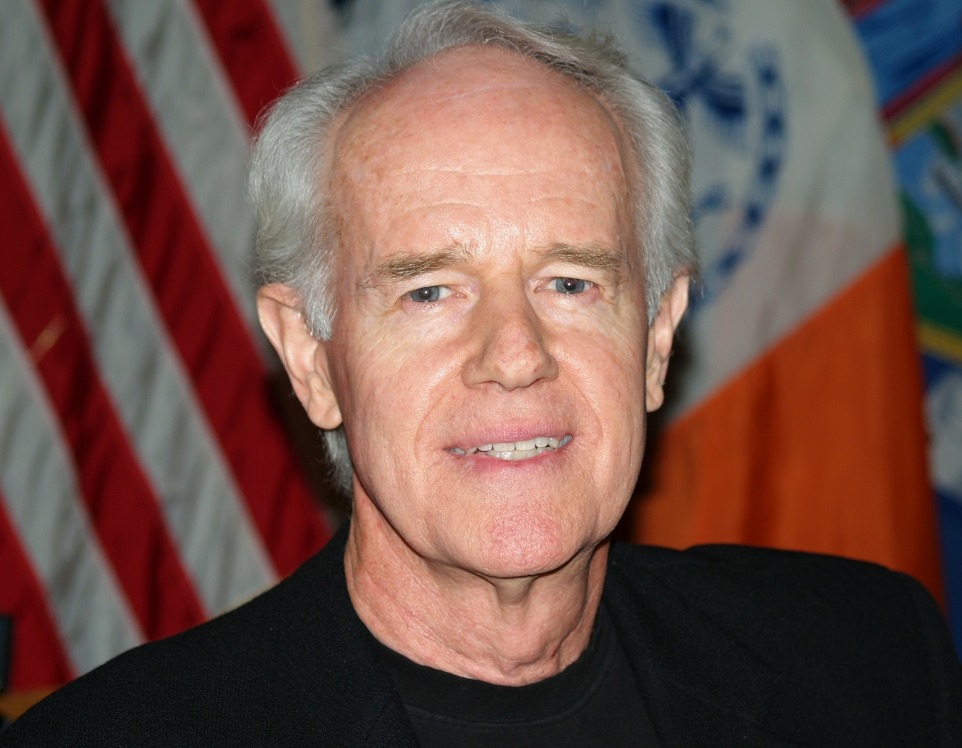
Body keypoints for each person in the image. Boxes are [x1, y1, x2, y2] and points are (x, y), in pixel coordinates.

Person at [4, 2, 961, 745]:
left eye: (570, 282)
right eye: (429, 291)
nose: (515, 354)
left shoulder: (871, 661)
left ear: (656, 339)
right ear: (311, 358)